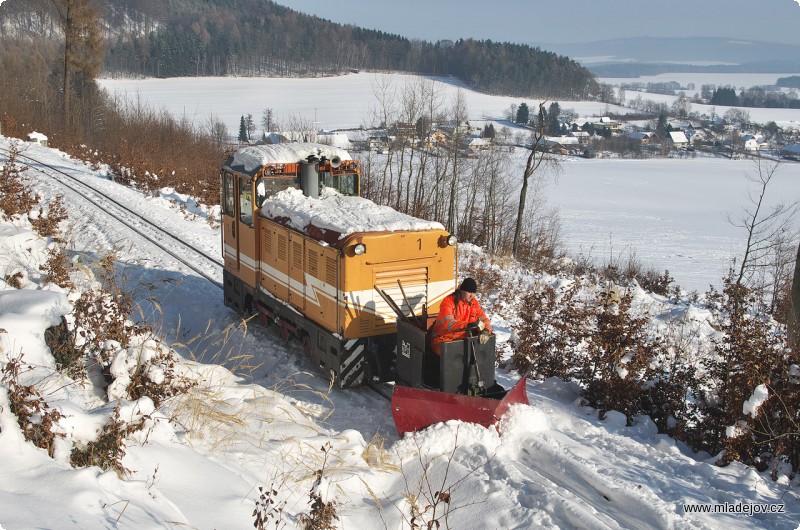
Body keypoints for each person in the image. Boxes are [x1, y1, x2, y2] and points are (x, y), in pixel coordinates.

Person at [429, 277, 492, 355]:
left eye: (474, 292)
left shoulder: (474, 304)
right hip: (443, 338)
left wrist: (486, 330)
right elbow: (448, 323)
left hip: (463, 339)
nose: (472, 295)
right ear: (462, 290)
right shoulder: (449, 302)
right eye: (469, 292)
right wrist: (467, 325)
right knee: (453, 357)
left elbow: (484, 319)